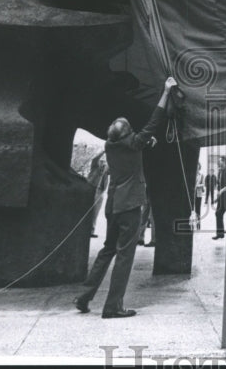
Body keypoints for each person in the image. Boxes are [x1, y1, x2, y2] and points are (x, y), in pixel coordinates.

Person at [74, 77, 176, 318]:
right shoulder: (133, 143)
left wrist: (145, 143)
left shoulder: (111, 146)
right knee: (124, 255)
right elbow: (154, 120)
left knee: (108, 249)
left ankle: (84, 296)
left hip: (113, 204)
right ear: (129, 133)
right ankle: (113, 306)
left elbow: (137, 144)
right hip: (130, 205)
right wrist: (166, 91)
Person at [86, 151, 108, 238]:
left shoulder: (106, 170)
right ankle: (85, 229)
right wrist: (103, 151)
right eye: (101, 161)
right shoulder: (94, 166)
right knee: (86, 210)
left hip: (99, 191)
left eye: (104, 162)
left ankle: (91, 231)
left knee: (95, 212)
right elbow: (95, 159)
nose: (102, 163)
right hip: (90, 188)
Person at [212, 157, 226, 240]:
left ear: (224, 162)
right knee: (218, 214)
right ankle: (220, 234)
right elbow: (219, 185)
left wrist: (221, 191)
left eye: (220, 160)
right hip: (221, 198)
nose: (218, 162)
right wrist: (217, 197)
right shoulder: (220, 171)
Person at [193, 163, 205, 230]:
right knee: (192, 209)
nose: (197, 167)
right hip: (192, 194)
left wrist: (197, 186)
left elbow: (203, 184)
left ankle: (198, 224)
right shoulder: (192, 174)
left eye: (198, 166)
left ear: (199, 167)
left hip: (198, 194)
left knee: (198, 210)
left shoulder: (202, 175)